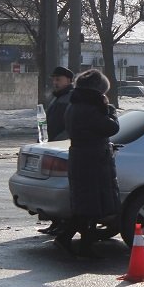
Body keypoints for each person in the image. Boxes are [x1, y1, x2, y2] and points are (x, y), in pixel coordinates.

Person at [54, 69, 120, 257]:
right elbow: (112, 127)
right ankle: (77, 243)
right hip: (92, 160)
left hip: (82, 158)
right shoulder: (91, 108)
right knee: (90, 206)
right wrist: (111, 111)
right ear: (97, 90)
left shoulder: (75, 105)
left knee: (86, 206)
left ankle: (78, 242)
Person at [37, 66, 74, 235]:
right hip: (52, 145)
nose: (55, 82)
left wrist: (59, 141)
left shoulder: (70, 97)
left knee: (61, 189)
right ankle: (56, 223)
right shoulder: (58, 97)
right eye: (54, 79)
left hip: (61, 147)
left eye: (58, 79)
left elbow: (70, 125)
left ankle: (63, 224)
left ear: (68, 80)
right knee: (52, 188)